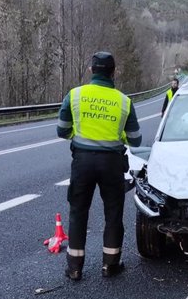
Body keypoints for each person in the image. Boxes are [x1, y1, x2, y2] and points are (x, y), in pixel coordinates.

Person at [56, 51, 142, 281]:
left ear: (91, 71)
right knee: (113, 214)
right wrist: (117, 137)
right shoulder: (123, 101)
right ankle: (110, 265)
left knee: (78, 212)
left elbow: (62, 130)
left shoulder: (74, 95)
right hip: (112, 163)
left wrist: (80, 136)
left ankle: (74, 268)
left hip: (82, 161)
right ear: (114, 72)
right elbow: (136, 139)